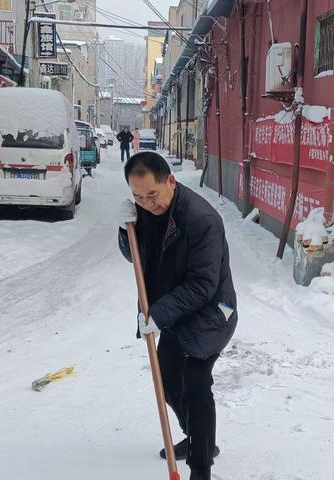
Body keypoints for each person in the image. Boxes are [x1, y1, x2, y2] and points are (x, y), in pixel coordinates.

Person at [118, 152, 237, 480]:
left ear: (170, 181)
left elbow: (202, 284)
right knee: (169, 381)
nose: (146, 203)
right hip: (175, 311)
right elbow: (137, 257)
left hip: (213, 311)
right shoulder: (143, 213)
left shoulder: (201, 219)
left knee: (196, 385)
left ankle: (201, 467)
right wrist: (124, 229)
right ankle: (198, 436)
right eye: (137, 197)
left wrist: (158, 313)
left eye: (152, 195)